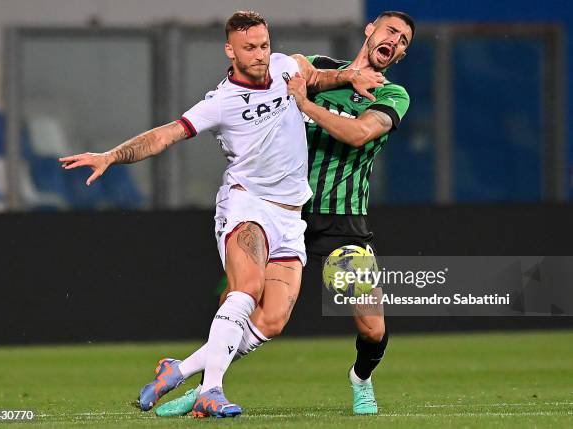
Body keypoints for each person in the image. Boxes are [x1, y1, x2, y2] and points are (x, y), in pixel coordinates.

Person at [59, 10, 384, 418]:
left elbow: (318, 77)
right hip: (246, 202)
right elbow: (165, 135)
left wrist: (349, 76)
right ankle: (210, 390)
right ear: (230, 50)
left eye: (264, 45)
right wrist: (111, 155)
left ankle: (178, 370)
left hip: (290, 214)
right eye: (250, 47)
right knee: (245, 290)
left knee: (273, 320)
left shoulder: (286, 67)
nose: (260, 54)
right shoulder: (221, 103)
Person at [156, 10, 414, 417]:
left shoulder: (392, 95)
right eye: (392, 32)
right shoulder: (320, 69)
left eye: (404, 42)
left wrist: (305, 104)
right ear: (371, 30)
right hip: (282, 208)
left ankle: (361, 378)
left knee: (372, 326)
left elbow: (358, 133)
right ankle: (208, 386)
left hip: (342, 220)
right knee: (244, 301)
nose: (396, 42)